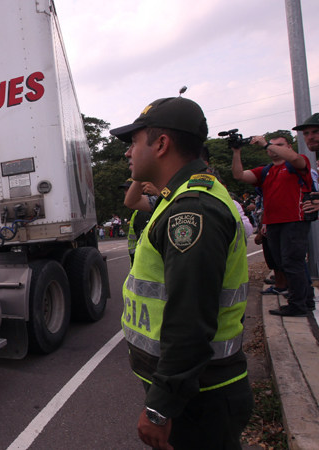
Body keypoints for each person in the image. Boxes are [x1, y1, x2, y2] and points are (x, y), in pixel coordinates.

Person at [110, 97, 252, 450]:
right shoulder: (179, 200)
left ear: (161, 144)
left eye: (133, 143)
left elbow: (189, 318)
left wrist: (161, 407)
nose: (128, 153)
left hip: (200, 398)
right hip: (195, 392)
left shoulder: (192, 210)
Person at [232, 132, 312, 317]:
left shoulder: (298, 163)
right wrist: (236, 152)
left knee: (293, 263)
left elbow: (294, 158)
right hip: (274, 222)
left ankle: (298, 305)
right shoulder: (266, 171)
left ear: (289, 146)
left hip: (294, 220)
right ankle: (303, 299)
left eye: (280, 145)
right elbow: (238, 175)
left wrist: (266, 143)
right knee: (284, 263)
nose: (275, 149)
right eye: (273, 146)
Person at [120, 178, 158, 265]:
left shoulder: (143, 212)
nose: (126, 193)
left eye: (129, 189)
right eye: (125, 190)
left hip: (145, 262)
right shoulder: (137, 211)